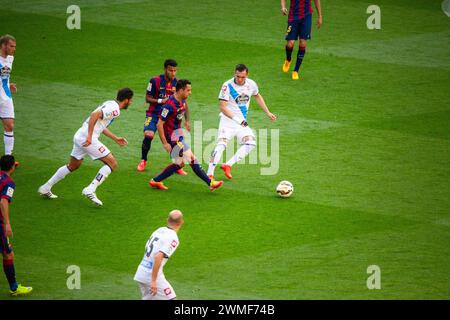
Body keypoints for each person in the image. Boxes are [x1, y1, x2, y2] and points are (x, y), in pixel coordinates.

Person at [38, 88, 134, 206]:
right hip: (88, 139)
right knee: (112, 163)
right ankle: (90, 189)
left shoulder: (109, 103)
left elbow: (100, 124)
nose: (131, 103)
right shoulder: (115, 109)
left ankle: (45, 187)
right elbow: (94, 115)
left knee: (73, 165)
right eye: (131, 100)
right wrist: (89, 136)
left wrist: (115, 138)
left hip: (79, 135)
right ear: (126, 100)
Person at [149, 79, 223, 191]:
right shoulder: (168, 106)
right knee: (191, 157)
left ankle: (155, 181)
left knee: (180, 164)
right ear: (181, 90)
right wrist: (165, 143)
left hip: (178, 134)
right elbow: (159, 124)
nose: (190, 92)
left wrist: (187, 120)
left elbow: (185, 107)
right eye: (188, 90)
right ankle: (210, 182)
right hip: (172, 138)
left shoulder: (182, 99)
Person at [207, 64, 277, 179]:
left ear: (247, 75)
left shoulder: (251, 84)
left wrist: (267, 112)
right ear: (234, 73)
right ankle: (209, 174)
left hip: (241, 123)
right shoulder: (227, 86)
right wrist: (237, 120)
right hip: (228, 121)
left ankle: (227, 165)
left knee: (251, 143)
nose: (240, 79)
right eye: (238, 76)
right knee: (222, 145)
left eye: (242, 77)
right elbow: (223, 107)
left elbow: (257, 96)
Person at [137, 59, 187, 176]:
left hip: (169, 117)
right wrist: (161, 101)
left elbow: (184, 102)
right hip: (154, 113)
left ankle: (177, 165)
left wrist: (187, 120)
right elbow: (147, 98)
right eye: (171, 70)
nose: (173, 73)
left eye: (175, 70)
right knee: (148, 134)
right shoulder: (155, 81)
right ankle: (143, 160)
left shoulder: (178, 83)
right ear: (165, 69)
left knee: (174, 140)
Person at [134, 209, 184, 300]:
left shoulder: (159, 230)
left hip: (141, 271)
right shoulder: (173, 238)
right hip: (151, 276)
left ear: (167, 220)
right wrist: (153, 281)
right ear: (181, 222)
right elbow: (158, 257)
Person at [0, 155, 32, 296]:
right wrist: (7, 224)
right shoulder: (9, 183)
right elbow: (3, 202)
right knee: (8, 254)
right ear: (13, 166)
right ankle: (14, 287)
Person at [281, 0, 322, 80]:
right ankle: (288, 59)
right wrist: (283, 7)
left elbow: (317, 1)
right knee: (290, 44)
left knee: (303, 43)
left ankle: (296, 70)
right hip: (293, 17)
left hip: (306, 17)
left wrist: (320, 16)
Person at [0, 35, 18, 157]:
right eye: (11, 46)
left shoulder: (10, 58)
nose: (14, 49)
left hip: (5, 96)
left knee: (10, 125)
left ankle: (8, 158)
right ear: (3, 45)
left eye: (14, 46)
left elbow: (5, 74)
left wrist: (8, 83)